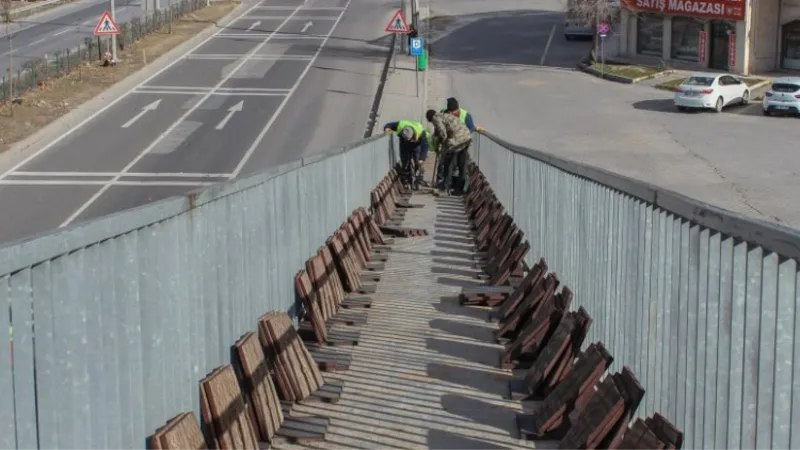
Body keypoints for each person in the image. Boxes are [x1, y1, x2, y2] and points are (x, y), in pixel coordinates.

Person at [434, 97, 481, 188]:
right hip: (449, 144)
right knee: (447, 163)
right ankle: (445, 183)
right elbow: (438, 127)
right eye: (450, 113)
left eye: (454, 113)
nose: (452, 115)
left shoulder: (465, 115)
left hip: (462, 144)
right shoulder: (443, 112)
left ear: (457, 110)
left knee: (461, 164)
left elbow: (470, 129)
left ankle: (459, 186)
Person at [425, 109, 472, 196]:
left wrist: (442, 146)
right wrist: (439, 142)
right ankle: (459, 190)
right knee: (461, 164)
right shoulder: (444, 115)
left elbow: (443, 133)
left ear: (430, 119)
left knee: (447, 162)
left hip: (457, 139)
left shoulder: (436, 118)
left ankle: (445, 188)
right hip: (466, 137)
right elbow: (444, 131)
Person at [383, 120, 429, 189]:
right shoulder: (400, 125)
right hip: (404, 145)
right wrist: (386, 129)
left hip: (416, 145)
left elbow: (425, 146)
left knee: (418, 162)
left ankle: (419, 181)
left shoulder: (420, 132)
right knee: (405, 162)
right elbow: (388, 125)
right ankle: (406, 180)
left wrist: (421, 159)